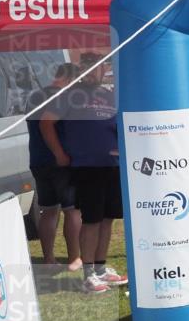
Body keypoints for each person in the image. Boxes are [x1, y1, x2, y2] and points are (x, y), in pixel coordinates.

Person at [40, 54, 127, 294]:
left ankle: (100, 268)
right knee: (91, 220)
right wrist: (59, 154)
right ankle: (88, 275)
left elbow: (118, 126)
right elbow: (46, 123)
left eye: (99, 68)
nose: (94, 73)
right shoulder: (70, 95)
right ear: (81, 70)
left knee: (108, 219)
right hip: (86, 167)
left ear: (105, 70)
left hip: (112, 165)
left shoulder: (109, 95)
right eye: (89, 69)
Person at [27, 63, 82, 271]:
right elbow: (46, 124)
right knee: (73, 210)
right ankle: (75, 258)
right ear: (68, 79)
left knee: (48, 211)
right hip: (59, 162)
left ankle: (49, 258)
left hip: (38, 161)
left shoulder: (34, 96)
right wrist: (60, 154)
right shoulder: (60, 96)